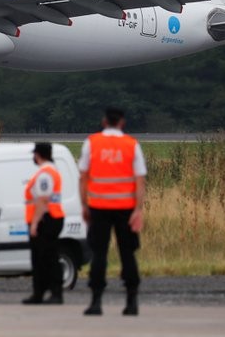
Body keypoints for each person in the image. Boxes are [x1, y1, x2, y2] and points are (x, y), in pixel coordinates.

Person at [79, 107, 146, 316]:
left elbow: (83, 177)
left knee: (99, 254)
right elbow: (140, 180)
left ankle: (96, 302)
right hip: (125, 209)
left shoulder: (92, 143)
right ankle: (132, 302)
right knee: (128, 254)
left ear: (104, 121)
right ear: (122, 122)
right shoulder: (131, 145)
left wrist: (84, 205)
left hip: (99, 207)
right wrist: (138, 209)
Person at [22, 142, 66, 305]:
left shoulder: (45, 174)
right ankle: (39, 293)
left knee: (47, 258)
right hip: (50, 218)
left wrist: (34, 224)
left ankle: (54, 293)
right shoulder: (51, 171)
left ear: (38, 155)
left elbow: (43, 200)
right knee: (42, 258)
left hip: (47, 219)